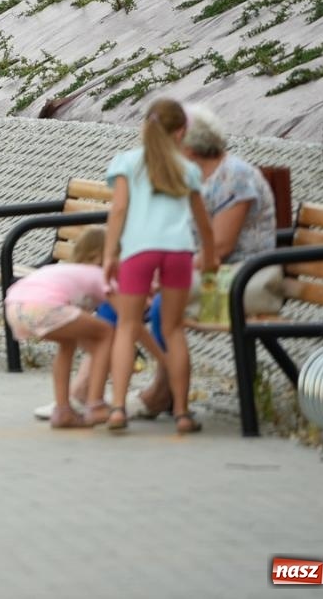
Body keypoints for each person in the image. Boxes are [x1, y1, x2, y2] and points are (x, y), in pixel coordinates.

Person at [133, 105, 281, 417]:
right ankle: (85, 393)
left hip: (240, 277)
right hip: (213, 274)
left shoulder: (235, 177)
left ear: (185, 142)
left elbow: (220, 248)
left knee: (161, 300)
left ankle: (162, 391)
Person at [101, 98, 215, 435]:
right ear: (181, 132)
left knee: (127, 325)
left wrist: (110, 254)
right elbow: (202, 220)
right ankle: (181, 413)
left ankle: (119, 409)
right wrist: (209, 254)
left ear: (146, 125)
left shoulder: (127, 163)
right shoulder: (189, 170)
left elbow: (118, 210)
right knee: (173, 329)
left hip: (139, 251)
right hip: (178, 251)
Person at [4, 226, 114, 429]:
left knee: (68, 343)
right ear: (100, 257)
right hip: (44, 307)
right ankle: (96, 404)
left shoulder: (67, 272)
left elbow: (83, 330)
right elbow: (127, 309)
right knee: (107, 332)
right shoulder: (96, 274)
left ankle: (63, 411)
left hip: (14, 306)